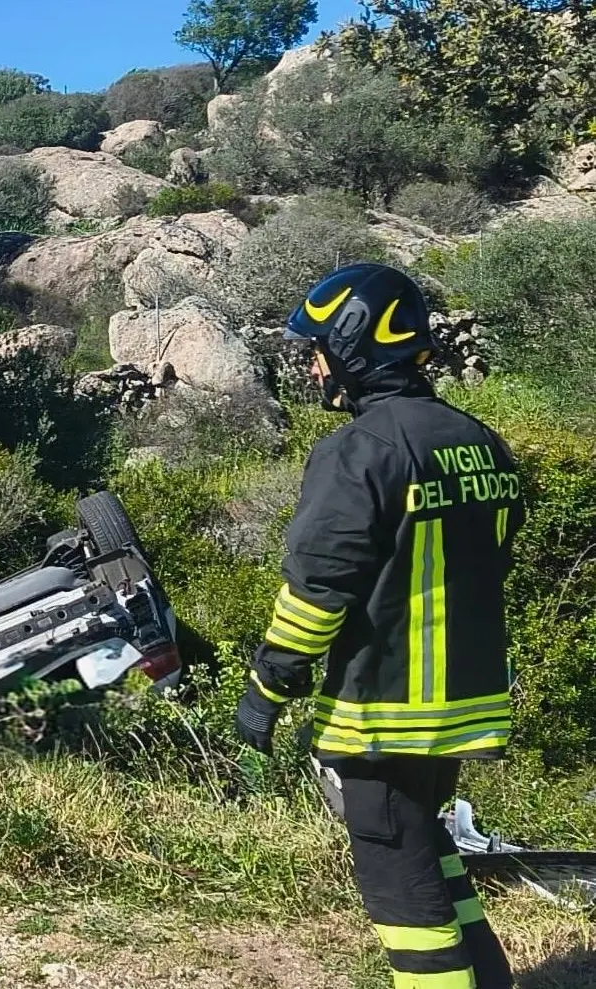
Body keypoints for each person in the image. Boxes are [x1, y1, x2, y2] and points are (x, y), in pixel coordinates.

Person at [234, 262, 524, 989]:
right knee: (429, 852)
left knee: (403, 894)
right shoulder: (477, 439)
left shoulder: (358, 452)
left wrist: (266, 691)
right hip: (464, 707)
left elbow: (317, 592)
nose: (312, 364)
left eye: (319, 347)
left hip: (386, 711)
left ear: (356, 344)